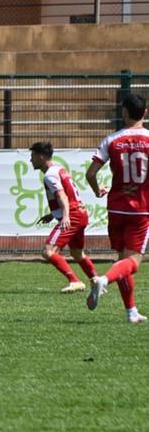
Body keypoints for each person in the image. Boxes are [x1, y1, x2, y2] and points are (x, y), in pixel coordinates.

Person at [85, 93, 149, 323]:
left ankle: (131, 311)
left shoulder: (112, 140)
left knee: (122, 259)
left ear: (124, 112)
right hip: (141, 209)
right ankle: (104, 280)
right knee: (133, 263)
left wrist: (95, 190)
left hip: (116, 208)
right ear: (145, 112)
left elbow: (90, 173)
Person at [29, 141, 97, 293]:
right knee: (77, 253)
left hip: (72, 214)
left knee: (48, 251)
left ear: (40, 157)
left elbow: (62, 196)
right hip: (80, 213)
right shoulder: (59, 169)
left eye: (32, 156)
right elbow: (68, 194)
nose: (30, 160)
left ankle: (75, 281)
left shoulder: (49, 175)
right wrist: (53, 214)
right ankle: (96, 281)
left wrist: (65, 216)